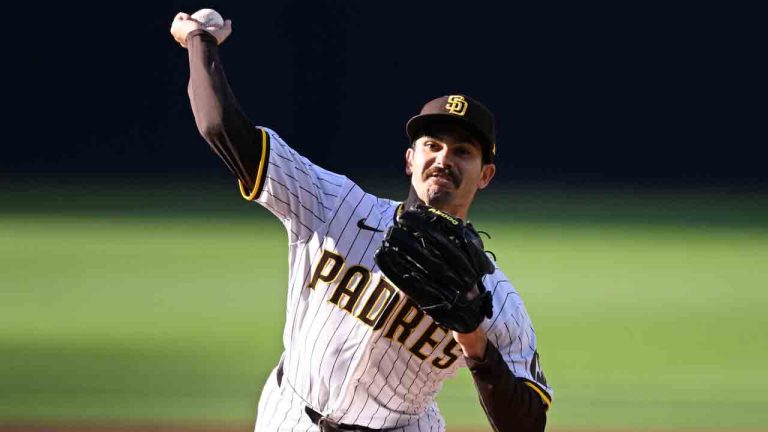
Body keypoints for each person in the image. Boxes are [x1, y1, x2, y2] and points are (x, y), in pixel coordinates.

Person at [170, 11, 552, 432]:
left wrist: (476, 344)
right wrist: (198, 42)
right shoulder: (335, 207)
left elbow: (528, 424)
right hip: (292, 415)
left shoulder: (493, 297)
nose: (444, 158)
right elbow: (220, 127)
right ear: (411, 159)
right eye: (432, 145)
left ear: (485, 175)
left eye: (463, 151)